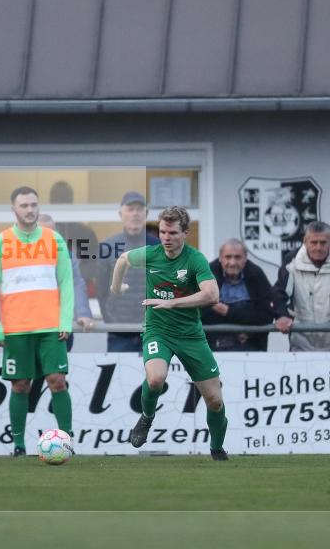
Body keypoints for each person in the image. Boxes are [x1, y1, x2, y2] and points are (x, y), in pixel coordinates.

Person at [111, 206, 228, 460]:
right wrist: (116, 287)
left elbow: (212, 295)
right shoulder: (151, 254)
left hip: (190, 334)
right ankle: (146, 417)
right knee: (155, 379)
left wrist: (173, 303)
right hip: (158, 330)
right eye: (163, 231)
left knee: (215, 400)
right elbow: (122, 260)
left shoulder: (195, 259)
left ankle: (217, 448)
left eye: (173, 232)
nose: (166, 237)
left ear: (185, 233)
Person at [0, 187, 74, 457]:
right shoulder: (0, 243)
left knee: (57, 380)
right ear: (14, 209)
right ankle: (19, 445)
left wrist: (65, 320)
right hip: (16, 327)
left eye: (34, 204)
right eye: (24, 205)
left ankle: (66, 441)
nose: (30, 209)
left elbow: (66, 283)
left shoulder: (54, 239)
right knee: (20, 384)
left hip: (50, 326)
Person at [273, 221, 330, 351]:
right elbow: (280, 292)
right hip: (301, 340)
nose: (318, 247)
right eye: (313, 242)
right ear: (305, 241)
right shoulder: (291, 260)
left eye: (323, 243)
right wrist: (282, 315)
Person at [97, 191, 159, 352]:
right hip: (119, 335)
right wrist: (111, 321)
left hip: (153, 332)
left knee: (155, 377)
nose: (135, 214)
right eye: (130, 209)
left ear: (146, 214)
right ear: (121, 214)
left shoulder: (158, 247)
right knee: (119, 377)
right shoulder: (108, 246)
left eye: (139, 209)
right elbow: (101, 291)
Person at [201, 239, 274, 351]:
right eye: (228, 257)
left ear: (245, 259)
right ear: (220, 258)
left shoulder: (256, 275)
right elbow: (199, 314)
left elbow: (266, 316)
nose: (233, 263)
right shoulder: (207, 274)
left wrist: (227, 311)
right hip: (211, 345)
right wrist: (238, 325)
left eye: (238, 257)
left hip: (250, 343)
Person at [39, 213, 94, 351]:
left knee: (57, 372)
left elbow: (76, 284)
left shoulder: (65, 254)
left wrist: (82, 314)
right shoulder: (16, 254)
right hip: (26, 328)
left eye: (52, 232)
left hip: (59, 329)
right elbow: (0, 284)